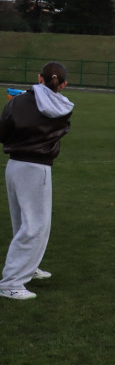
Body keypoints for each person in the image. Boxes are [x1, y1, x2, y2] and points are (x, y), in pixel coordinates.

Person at [0, 62, 75, 301]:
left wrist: (16, 103)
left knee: (23, 222)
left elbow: (3, 133)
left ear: (39, 78)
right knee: (34, 226)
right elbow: (59, 124)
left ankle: (27, 268)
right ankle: (11, 282)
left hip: (15, 165)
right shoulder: (62, 105)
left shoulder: (17, 101)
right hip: (36, 167)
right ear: (62, 84)